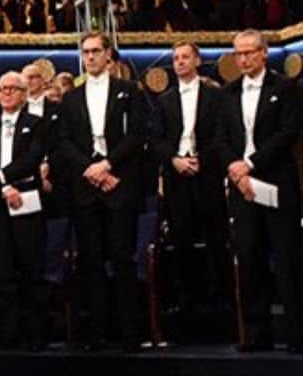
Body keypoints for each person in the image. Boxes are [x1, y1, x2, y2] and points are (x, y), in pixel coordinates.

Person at [56, 31, 147, 352]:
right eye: (85, 52)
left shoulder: (129, 92)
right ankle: (95, 333)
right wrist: (91, 169)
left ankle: (130, 334)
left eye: (96, 51)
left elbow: (137, 135)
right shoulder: (70, 98)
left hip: (119, 184)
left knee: (123, 259)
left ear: (109, 54)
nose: (90, 57)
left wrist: (107, 165)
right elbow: (64, 141)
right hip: (86, 188)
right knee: (90, 261)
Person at [214, 30, 301, 352]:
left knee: (288, 258)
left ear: (264, 53)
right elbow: (220, 140)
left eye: (250, 52)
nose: (244, 59)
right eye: (238, 53)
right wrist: (237, 171)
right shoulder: (227, 93)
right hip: (242, 187)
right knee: (250, 259)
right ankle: (256, 333)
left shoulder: (287, 88)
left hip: (277, 183)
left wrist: (249, 164)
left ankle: (296, 334)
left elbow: (288, 133)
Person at [150, 41, 229, 337]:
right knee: (181, 238)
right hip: (176, 176)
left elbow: (222, 134)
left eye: (185, 57)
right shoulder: (164, 100)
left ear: (197, 60)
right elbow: (156, 139)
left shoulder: (215, 96)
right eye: (176, 58)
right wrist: (174, 160)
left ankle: (220, 295)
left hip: (207, 173)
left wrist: (202, 160)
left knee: (215, 235)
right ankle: (187, 297)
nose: (180, 62)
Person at [0, 72, 49, 350]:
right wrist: (3, 187)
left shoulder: (36, 124)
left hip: (28, 202)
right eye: (2, 88)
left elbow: (31, 159)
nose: (6, 93)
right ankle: (9, 338)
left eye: (12, 89)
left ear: (23, 93)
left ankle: (37, 337)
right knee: (2, 272)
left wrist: (3, 176)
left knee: (32, 270)